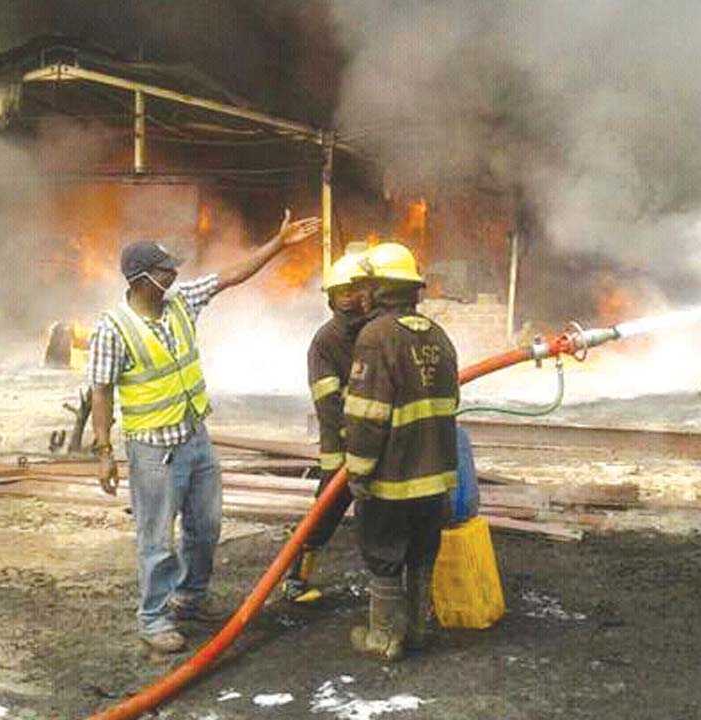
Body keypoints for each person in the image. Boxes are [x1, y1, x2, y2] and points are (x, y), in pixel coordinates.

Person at [88, 210, 321, 655]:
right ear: (140, 280)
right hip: (153, 452)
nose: (173, 275)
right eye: (163, 271)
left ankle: (191, 598)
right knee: (156, 537)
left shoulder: (181, 302)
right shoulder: (113, 330)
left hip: (195, 438)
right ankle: (154, 618)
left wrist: (278, 243)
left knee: (205, 526)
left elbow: (230, 276)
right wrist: (103, 451)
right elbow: (100, 392)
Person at [342, 242, 459, 660]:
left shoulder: (376, 338)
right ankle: (420, 629)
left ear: (380, 289)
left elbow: (367, 416)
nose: (361, 294)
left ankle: (385, 638)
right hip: (436, 476)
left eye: (367, 285)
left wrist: (357, 472)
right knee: (422, 550)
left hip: (392, 478)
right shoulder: (438, 337)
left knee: (384, 553)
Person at [282, 244, 371, 603]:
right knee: (325, 512)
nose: (351, 300)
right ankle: (296, 579)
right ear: (333, 299)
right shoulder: (326, 341)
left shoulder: (378, 333)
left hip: (379, 441)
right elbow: (328, 406)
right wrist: (357, 441)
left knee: (388, 513)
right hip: (343, 448)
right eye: (344, 293)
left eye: (357, 290)